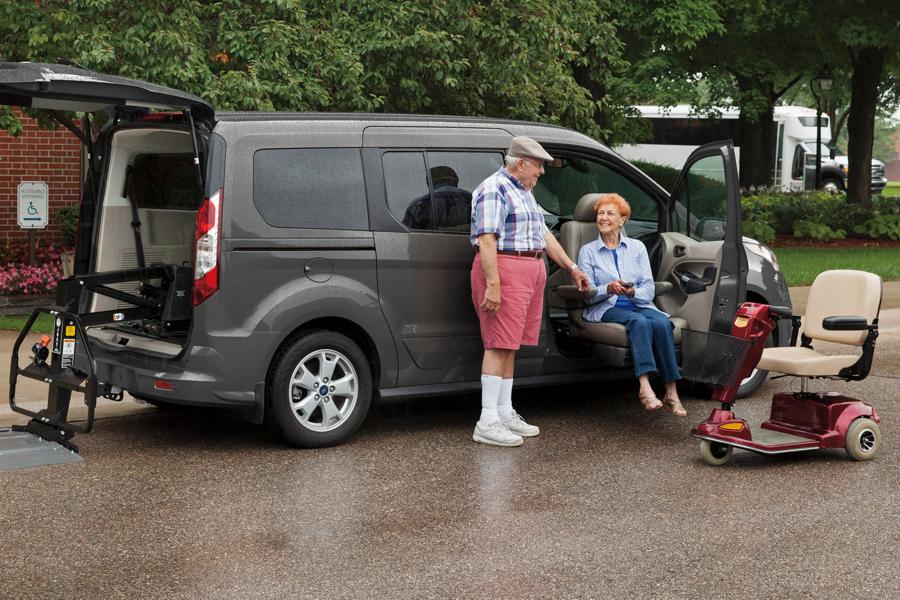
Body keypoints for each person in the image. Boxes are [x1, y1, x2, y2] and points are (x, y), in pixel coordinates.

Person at [470, 136, 590, 446]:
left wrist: (571, 267)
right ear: (521, 163)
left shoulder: (524, 190)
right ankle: (487, 421)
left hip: (528, 270)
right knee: (498, 344)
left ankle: (504, 412)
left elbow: (544, 235)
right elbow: (486, 240)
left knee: (510, 345)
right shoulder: (494, 189)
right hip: (506, 269)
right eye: (538, 165)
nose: (542, 171)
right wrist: (493, 285)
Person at [577, 193, 687, 416]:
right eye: (600, 213)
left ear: (622, 220)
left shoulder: (637, 247)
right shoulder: (587, 251)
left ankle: (671, 391)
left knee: (662, 323)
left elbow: (648, 288)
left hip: (638, 302)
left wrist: (633, 291)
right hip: (606, 306)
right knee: (639, 322)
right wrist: (608, 288)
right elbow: (588, 295)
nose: (603, 218)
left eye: (610, 213)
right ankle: (645, 387)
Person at [402, 166, 471, 230]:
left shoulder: (418, 204)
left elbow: (405, 234)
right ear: (456, 181)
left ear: (429, 183)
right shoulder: (473, 199)